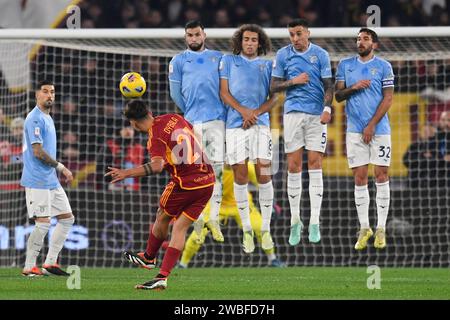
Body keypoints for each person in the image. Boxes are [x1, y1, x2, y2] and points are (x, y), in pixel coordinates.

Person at [105, 100, 215, 291]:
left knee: (162, 215)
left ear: (134, 122)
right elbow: (194, 137)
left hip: (185, 183)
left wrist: (126, 173)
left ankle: (148, 257)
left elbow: (156, 166)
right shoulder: (174, 117)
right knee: (180, 227)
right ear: (149, 111)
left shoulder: (155, 137)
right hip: (208, 180)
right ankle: (162, 277)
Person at [270, 19, 333, 246]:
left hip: (317, 115)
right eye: (291, 35)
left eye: (298, 34)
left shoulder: (321, 55)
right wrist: (293, 81)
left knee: (315, 164)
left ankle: (314, 221)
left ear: (308, 32)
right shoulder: (283, 55)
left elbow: (329, 84)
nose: (295, 38)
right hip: (293, 114)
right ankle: (295, 221)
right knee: (294, 166)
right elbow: (273, 86)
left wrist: (327, 107)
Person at [335, 28, 395, 250]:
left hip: (379, 130)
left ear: (374, 44)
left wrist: (371, 124)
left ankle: (381, 228)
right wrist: (354, 87)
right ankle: (364, 227)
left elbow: (388, 99)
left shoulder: (383, 66)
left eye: (365, 39)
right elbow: (338, 96)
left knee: (381, 175)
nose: (360, 42)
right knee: (360, 178)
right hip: (354, 131)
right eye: (358, 39)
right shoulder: (345, 65)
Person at [219, 24, 276, 253]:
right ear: (240, 42)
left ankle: (266, 229)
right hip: (235, 125)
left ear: (259, 42)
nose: (250, 43)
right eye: (246, 39)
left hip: (260, 124)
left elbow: (276, 97)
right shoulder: (228, 61)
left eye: (254, 39)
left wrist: (255, 113)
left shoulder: (268, 64)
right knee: (240, 175)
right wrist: (244, 111)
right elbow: (224, 93)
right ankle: (247, 231)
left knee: (264, 172)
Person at [168, 20, 226, 243]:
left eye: (197, 34)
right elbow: (175, 94)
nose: (193, 38)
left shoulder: (218, 58)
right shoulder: (178, 61)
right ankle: (199, 219)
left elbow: (225, 88)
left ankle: (214, 218)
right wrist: (190, 113)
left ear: (204, 34)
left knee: (217, 171)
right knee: (195, 174)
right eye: (189, 35)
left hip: (216, 121)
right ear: (185, 37)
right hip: (191, 124)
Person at [179, 163, 286, 267]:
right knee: (198, 233)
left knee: (259, 227)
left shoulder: (247, 166)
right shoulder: (212, 168)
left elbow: (262, 185)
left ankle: (273, 259)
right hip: (216, 205)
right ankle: (183, 264)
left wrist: (272, 203)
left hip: (242, 203)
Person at [20, 80, 75, 276]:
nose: (49, 95)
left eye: (52, 92)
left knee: (67, 219)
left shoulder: (47, 117)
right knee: (43, 223)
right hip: (37, 179)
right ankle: (29, 266)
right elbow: (37, 152)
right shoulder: (35, 118)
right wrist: (61, 167)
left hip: (50, 179)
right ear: (37, 95)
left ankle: (50, 263)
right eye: (45, 92)